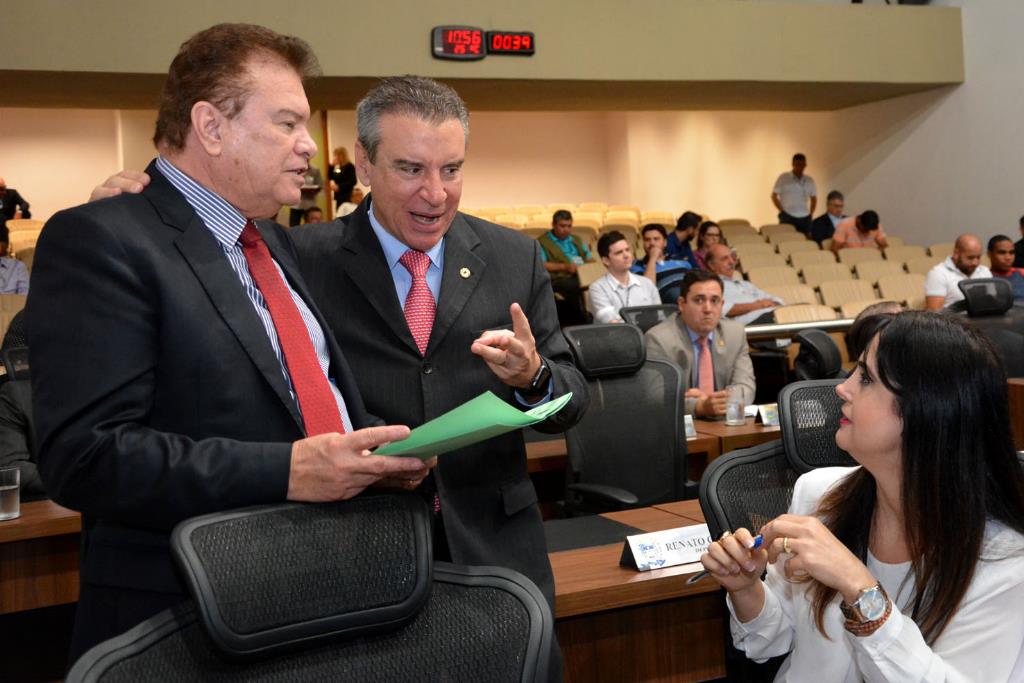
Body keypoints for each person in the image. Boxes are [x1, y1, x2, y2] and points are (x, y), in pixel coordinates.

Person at [89, 75, 589, 632]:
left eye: (451, 170)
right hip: (358, 553)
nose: (435, 193)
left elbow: (572, 401)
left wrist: (533, 376)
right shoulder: (297, 257)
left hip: (499, 553)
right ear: (365, 164)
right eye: (410, 169)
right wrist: (136, 220)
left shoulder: (514, 256)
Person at [31, 24, 433, 665]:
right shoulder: (103, 239)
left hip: (319, 598)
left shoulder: (271, 242)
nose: (309, 145)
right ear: (211, 127)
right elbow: (86, 456)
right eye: (287, 123)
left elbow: (293, 399)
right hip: (188, 624)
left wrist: (373, 453)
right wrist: (290, 470)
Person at [699, 311, 1024, 681]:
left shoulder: (1004, 562)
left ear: (926, 410)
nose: (842, 388)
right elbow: (772, 638)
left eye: (867, 378)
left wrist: (860, 589)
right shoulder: (819, 495)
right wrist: (746, 588)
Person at [645, 270, 755, 417]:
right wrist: (699, 406)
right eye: (699, 300)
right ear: (682, 304)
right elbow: (656, 395)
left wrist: (719, 402)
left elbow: (746, 385)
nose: (708, 309)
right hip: (679, 424)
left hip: (724, 420)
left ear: (722, 304)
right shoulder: (659, 339)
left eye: (714, 301)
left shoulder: (734, 334)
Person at [588, 230, 660, 323]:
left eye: (627, 250)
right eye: (619, 252)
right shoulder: (597, 288)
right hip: (617, 332)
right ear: (606, 260)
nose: (626, 255)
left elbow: (660, 318)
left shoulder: (647, 283)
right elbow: (612, 324)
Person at [537, 209, 594, 325]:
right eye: (562, 226)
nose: (566, 229)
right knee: (575, 286)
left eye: (569, 226)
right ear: (553, 225)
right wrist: (565, 267)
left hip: (581, 274)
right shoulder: (542, 242)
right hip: (559, 278)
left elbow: (589, 257)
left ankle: (594, 316)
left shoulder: (576, 239)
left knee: (599, 282)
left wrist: (590, 265)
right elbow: (542, 264)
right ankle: (581, 320)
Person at [705, 243, 784, 325]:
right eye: (724, 259)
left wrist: (774, 303)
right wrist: (758, 305)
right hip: (753, 324)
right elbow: (723, 309)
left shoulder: (746, 284)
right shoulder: (710, 286)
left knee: (788, 313)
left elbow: (777, 299)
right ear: (711, 265)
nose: (731, 262)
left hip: (773, 315)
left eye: (732, 257)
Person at [924, 234, 992, 310]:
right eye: (970, 258)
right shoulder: (938, 273)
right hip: (952, 317)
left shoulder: (984, 271)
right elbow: (934, 312)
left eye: (978, 257)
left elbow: (992, 303)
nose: (975, 263)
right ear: (956, 253)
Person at [771, 153, 816, 236]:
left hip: (805, 216)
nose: (799, 167)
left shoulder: (809, 180)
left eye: (802, 165)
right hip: (787, 216)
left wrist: (811, 213)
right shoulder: (783, 178)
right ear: (793, 164)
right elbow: (774, 196)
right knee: (786, 238)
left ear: (805, 165)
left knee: (805, 240)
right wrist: (782, 211)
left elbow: (814, 198)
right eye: (797, 164)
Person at [986, 234, 1024, 300]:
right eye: (1002, 253)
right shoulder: (985, 277)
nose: (1008, 257)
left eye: (1011, 253)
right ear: (989, 254)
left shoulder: (1021, 273)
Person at [328, 146, 357, 211]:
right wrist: (332, 166)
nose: (336, 157)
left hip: (347, 195)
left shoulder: (350, 166)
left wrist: (339, 186)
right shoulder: (338, 167)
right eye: (335, 155)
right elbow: (330, 177)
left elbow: (353, 181)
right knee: (339, 213)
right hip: (339, 196)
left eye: (338, 155)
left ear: (343, 156)